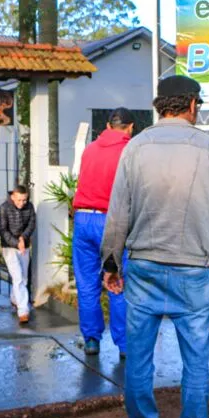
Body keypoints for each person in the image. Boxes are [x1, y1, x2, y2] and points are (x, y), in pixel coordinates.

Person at [101, 75, 209, 418]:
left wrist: (111, 263)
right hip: (194, 272)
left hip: (144, 267)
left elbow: (118, 213)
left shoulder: (135, 148)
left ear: (158, 106)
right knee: (196, 359)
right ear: (192, 104)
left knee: (139, 357)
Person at [72, 107, 134, 359]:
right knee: (117, 281)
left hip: (83, 218)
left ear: (108, 126)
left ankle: (91, 340)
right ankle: (124, 346)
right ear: (130, 127)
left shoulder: (89, 150)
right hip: (112, 220)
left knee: (87, 284)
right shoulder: (129, 151)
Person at [0, 185, 36, 323]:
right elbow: (3, 230)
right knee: (18, 277)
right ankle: (23, 310)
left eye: (24, 200)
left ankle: (15, 299)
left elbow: (32, 224)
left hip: (24, 246)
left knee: (24, 277)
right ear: (13, 196)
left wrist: (23, 238)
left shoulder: (29, 207)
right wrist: (15, 242)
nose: (22, 203)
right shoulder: (4, 208)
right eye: (19, 200)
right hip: (9, 247)